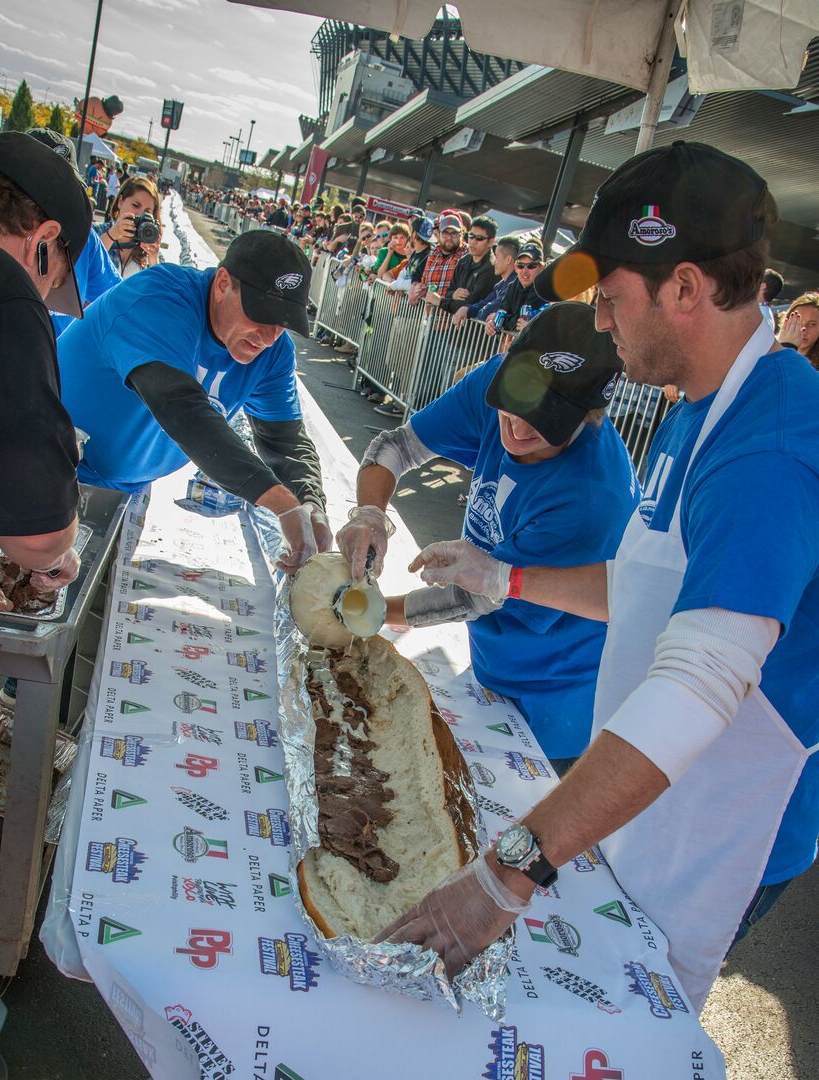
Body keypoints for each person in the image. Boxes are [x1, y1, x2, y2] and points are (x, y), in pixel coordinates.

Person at [374, 142, 819, 1016]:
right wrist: (510, 579)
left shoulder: (767, 444)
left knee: (616, 1030)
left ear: (684, 288)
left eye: (611, 298)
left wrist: (508, 870)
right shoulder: (700, 407)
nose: (602, 324)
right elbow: (648, 590)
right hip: (640, 789)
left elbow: (700, 681)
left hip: (719, 821)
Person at [338, 303, 639, 773]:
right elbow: (394, 447)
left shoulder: (590, 500)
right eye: (512, 408)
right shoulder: (492, 383)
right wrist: (371, 513)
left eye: (543, 423)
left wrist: (373, 611)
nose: (516, 431)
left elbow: (480, 599)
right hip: (490, 662)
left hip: (555, 692)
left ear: (590, 414)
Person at [57, 230, 332, 571]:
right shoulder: (158, 299)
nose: (268, 336)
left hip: (126, 487)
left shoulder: (273, 354)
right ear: (222, 284)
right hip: (52, 469)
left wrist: (309, 503)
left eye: (284, 324)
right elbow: (181, 407)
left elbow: (285, 440)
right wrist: (279, 501)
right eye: (260, 314)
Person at [0, 131, 92, 612]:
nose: (43, 297)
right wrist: (61, 546)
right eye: (52, 283)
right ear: (42, 241)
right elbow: (37, 536)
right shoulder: (5, 291)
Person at [26, 128, 120, 338]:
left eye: (63, 187)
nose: (51, 197)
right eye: (39, 183)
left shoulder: (85, 240)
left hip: (55, 367)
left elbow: (117, 303)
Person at [430, 215, 497, 316]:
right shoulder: (463, 261)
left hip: (472, 329)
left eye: (479, 238)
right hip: (453, 325)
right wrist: (454, 294)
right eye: (471, 236)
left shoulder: (491, 268)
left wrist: (440, 301)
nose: (473, 242)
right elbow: (449, 292)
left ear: (491, 242)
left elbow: (470, 305)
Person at [97, 176, 162, 277]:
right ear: (120, 201)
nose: (140, 214)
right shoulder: (96, 232)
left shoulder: (148, 250)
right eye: (136, 205)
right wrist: (111, 236)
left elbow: (155, 290)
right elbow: (84, 262)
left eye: (147, 212)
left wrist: (154, 262)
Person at [452, 234, 519, 329]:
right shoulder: (500, 285)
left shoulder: (513, 284)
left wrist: (475, 314)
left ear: (508, 259)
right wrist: (466, 308)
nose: (494, 261)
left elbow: (489, 310)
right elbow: (484, 303)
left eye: (496, 256)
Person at [411, 212, 465, 305]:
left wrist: (441, 300)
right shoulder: (433, 253)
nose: (449, 237)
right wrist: (417, 289)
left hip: (450, 317)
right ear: (438, 234)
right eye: (445, 233)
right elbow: (424, 283)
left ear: (461, 234)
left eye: (454, 233)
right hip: (428, 316)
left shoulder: (467, 255)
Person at [491, 240, 544, 334]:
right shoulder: (513, 286)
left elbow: (521, 322)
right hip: (507, 345)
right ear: (515, 267)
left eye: (531, 266)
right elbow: (501, 314)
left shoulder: (543, 290)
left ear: (541, 268)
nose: (525, 271)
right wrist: (492, 324)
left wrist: (503, 320)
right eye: (520, 265)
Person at [777, 292, 819, 370]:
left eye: (812, 324)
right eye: (797, 322)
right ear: (786, 322)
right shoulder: (767, 352)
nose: (804, 329)